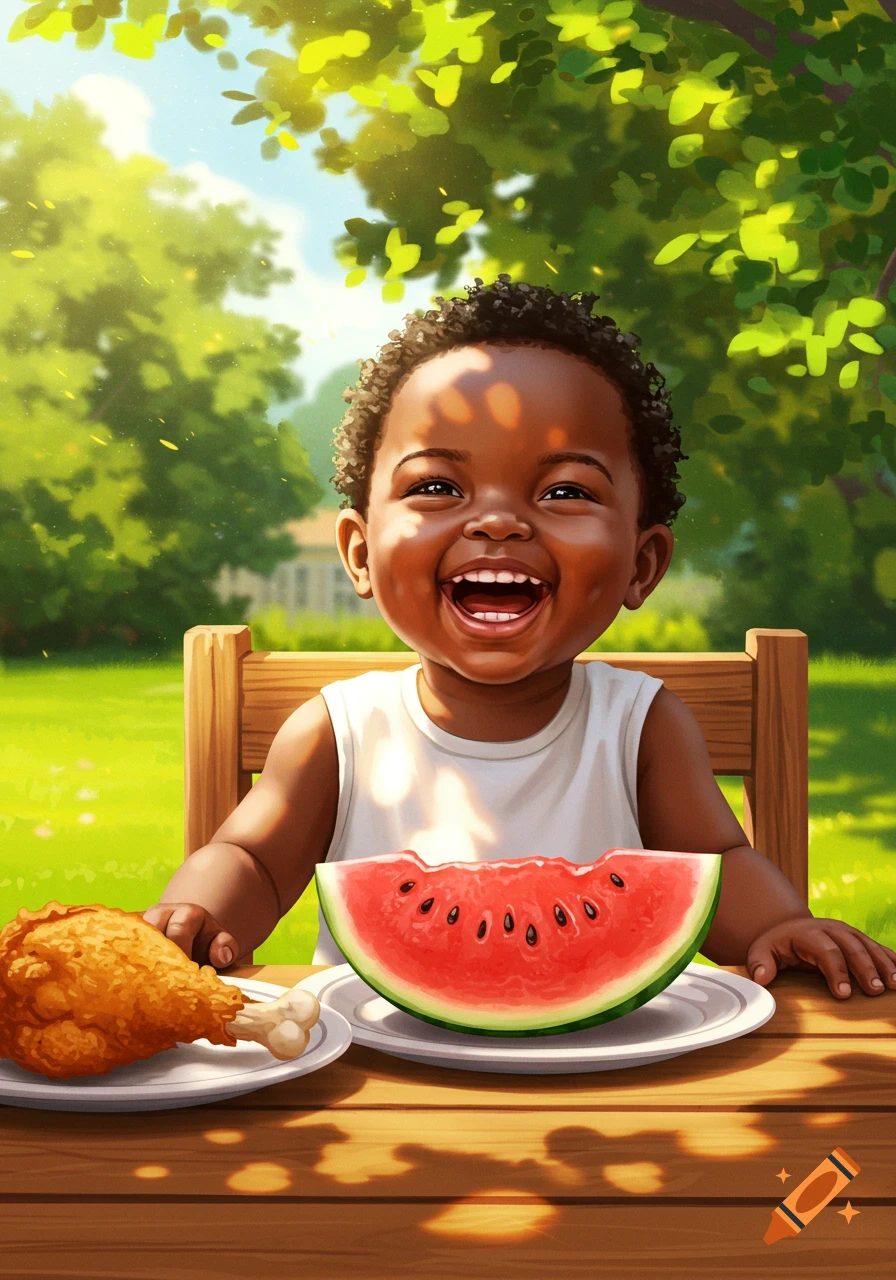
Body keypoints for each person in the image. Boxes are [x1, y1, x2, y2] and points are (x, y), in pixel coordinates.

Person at [144, 276, 896, 1001]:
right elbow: (252, 860)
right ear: (362, 553)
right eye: (437, 486)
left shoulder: (641, 726)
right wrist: (197, 913)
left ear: (642, 564)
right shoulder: (337, 733)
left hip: (606, 1068)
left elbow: (716, 867)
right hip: (369, 1067)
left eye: (565, 491)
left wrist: (780, 926)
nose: (498, 521)